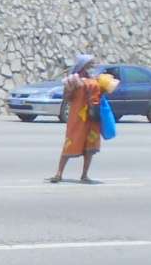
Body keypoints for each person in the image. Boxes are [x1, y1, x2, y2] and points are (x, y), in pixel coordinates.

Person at [48, 54, 119, 184]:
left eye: (93, 64)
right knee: (70, 143)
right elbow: (67, 97)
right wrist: (70, 89)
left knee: (90, 147)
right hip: (78, 119)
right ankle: (59, 173)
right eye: (90, 64)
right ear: (83, 65)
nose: (92, 66)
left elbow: (101, 95)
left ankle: (84, 175)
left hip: (93, 119)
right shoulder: (74, 80)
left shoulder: (97, 80)